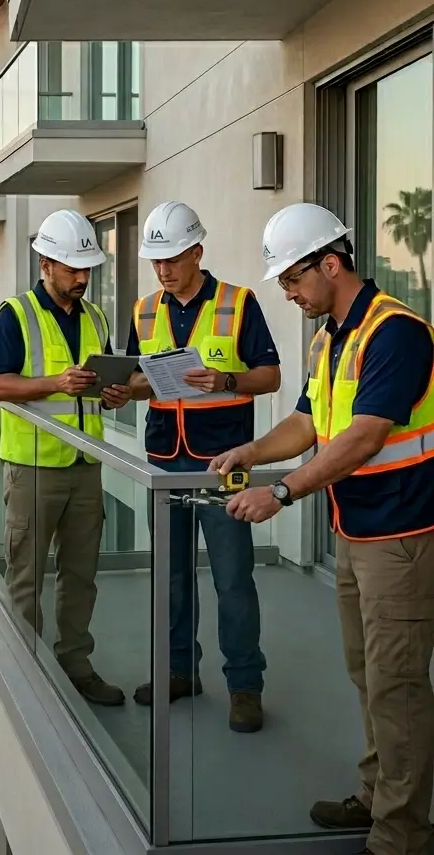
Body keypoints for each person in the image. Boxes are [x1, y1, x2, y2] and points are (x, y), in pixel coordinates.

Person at [211, 202, 434, 855]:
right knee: (369, 678)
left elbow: (364, 437)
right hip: (356, 533)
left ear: (330, 264)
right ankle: (378, 798)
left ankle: (401, 835)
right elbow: (310, 423)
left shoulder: (396, 333)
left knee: (397, 690)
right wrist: (251, 453)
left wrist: (280, 491)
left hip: (402, 540)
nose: (287, 291)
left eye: (291, 278)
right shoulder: (330, 336)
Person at [119, 200, 281, 733]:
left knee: (233, 579)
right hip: (164, 460)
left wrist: (226, 380)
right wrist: (119, 391)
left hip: (223, 462)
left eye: (170, 259)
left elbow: (271, 375)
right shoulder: (144, 311)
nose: (162, 270)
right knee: (171, 577)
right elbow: (139, 380)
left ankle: (244, 687)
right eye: (155, 261)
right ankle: (178, 672)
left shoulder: (240, 302)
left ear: (197, 252)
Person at [0, 208, 126, 705]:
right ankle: (26, 676)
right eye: (72, 269)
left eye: (87, 268)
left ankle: (75, 665)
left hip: (86, 465)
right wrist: (55, 383)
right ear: (45, 263)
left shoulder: (96, 316)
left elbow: (102, 378)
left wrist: (114, 393)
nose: (82, 278)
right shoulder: (14, 314)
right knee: (28, 575)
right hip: (32, 468)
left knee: (81, 574)